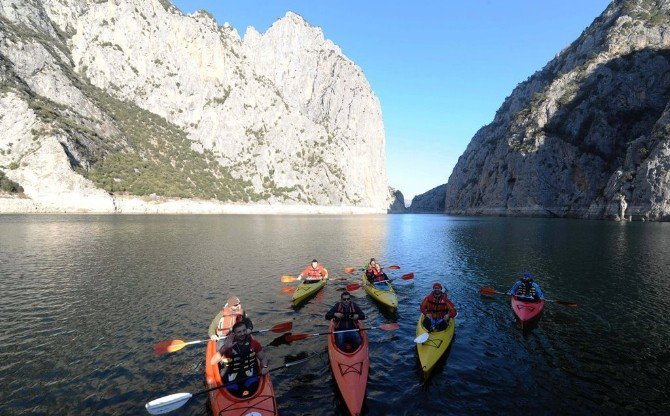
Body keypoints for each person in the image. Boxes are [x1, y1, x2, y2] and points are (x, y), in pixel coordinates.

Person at [209, 321, 269, 398]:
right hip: (232, 377)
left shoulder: (254, 343)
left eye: (244, 330)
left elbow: (263, 358)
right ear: (234, 334)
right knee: (233, 391)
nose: (242, 333)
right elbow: (213, 361)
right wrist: (225, 348)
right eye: (239, 332)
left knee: (253, 387)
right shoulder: (227, 344)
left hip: (250, 375)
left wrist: (265, 367)